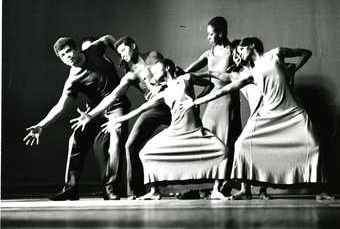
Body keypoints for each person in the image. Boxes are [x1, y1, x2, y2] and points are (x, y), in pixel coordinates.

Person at [184, 37, 330, 200]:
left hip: (292, 111)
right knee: (241, 145)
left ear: (252, 46)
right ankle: (245, 190)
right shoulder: (250, 74)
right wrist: (197, 100)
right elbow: (223, 90)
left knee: (314, 145)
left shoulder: (275, 54)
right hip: (267, 114)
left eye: (240, 49)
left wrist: (293, 69)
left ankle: (321, 191)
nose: (237, 54)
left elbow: (306, 53)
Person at [102, 59, 231, 200]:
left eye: (157, 70)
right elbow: (140, 109)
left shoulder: (186, 78)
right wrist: (117, 119)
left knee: (222, 151)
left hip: (195, 130)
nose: (154, 73)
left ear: (168, 67)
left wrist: (197, 100)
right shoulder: (163, 93)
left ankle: (216, 190)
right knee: (146, 153)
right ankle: (154, 191)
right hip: (175, 131)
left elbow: (210, 84)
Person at [23, 35, 130, 200]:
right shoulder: (73, 80)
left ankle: (111, 188)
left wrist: (121, 54)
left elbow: (108, 38)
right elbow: (60, 106)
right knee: (76, 139)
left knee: (115, 142)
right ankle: (71, 188)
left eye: (69, 51)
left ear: (77, 49)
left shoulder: (93, 50)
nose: (68, 57)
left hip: (117, 105)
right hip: (93, 112)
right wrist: (41, 126)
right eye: (63, 56)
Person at [70, 37, 172, 199]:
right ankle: (136, 192)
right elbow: (113, 95)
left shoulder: (152, 56)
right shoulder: (129, 73)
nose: (122, 55)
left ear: (133, 45)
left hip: (173, 102)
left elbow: (164, 71)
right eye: (119, 53)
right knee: (130, 145)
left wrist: (159, 86)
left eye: (124, 50)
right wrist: (91, 115)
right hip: (154, 108)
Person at [185, 16, 242, 195]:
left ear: (221, 33)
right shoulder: (208, 54)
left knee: (226, 140)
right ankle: (210, 185)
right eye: (208, 35)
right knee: (209, 140)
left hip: (227, 100)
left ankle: (223, 183)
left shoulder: (234, 50)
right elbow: (186, 72)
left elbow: (240, 73)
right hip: (211, 101)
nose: (208, 38)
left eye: (211, 34)